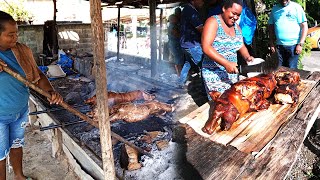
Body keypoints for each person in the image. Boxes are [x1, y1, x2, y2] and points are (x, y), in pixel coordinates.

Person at [0, 11, 63, 180]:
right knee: (0, 154)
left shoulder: (21, 50)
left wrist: (50, 91)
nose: (15, 38)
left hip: (20, 111)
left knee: (16, 144)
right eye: (10, 35)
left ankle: (19, 176)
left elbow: (38, 76)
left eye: (17, 34)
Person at [201, 0, 254, 99]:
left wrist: (247, 57)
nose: (235, 17)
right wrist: (226, 63)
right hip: (214, 75)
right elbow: (206, 47)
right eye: (233, 13)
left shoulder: (237, 27)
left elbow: (241, 45)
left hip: (232, 74)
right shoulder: (213, 22)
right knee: (221, 103)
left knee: (233, 100)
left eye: (238, 15)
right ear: (224, 8)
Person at [268, 0, 308, 69]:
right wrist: (271, 43)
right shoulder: (275, 9)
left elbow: (305, 26)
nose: (283, 1)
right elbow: (270, 26)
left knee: (291, 71)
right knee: (278, 70)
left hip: (293, 46)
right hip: (279, 46)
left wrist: (300, 44)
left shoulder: (296, 7)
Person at [179, 0, 205, 86]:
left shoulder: (186, 9)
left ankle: (180, 82)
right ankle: (205, 88)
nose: (203, 2)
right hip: (193, 45)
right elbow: (201, 28)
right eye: (201, 0)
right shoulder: (191, 11)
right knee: (203, 65)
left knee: (188, 63)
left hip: (185, 44)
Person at [168, 8, 183, 77]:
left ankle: (180, 74)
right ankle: (179, 74)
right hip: (175, 44)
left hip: (175, 44)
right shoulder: (173, 26)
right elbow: (176, 34)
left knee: (178, 59)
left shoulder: (174, 25)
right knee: (178, 59)